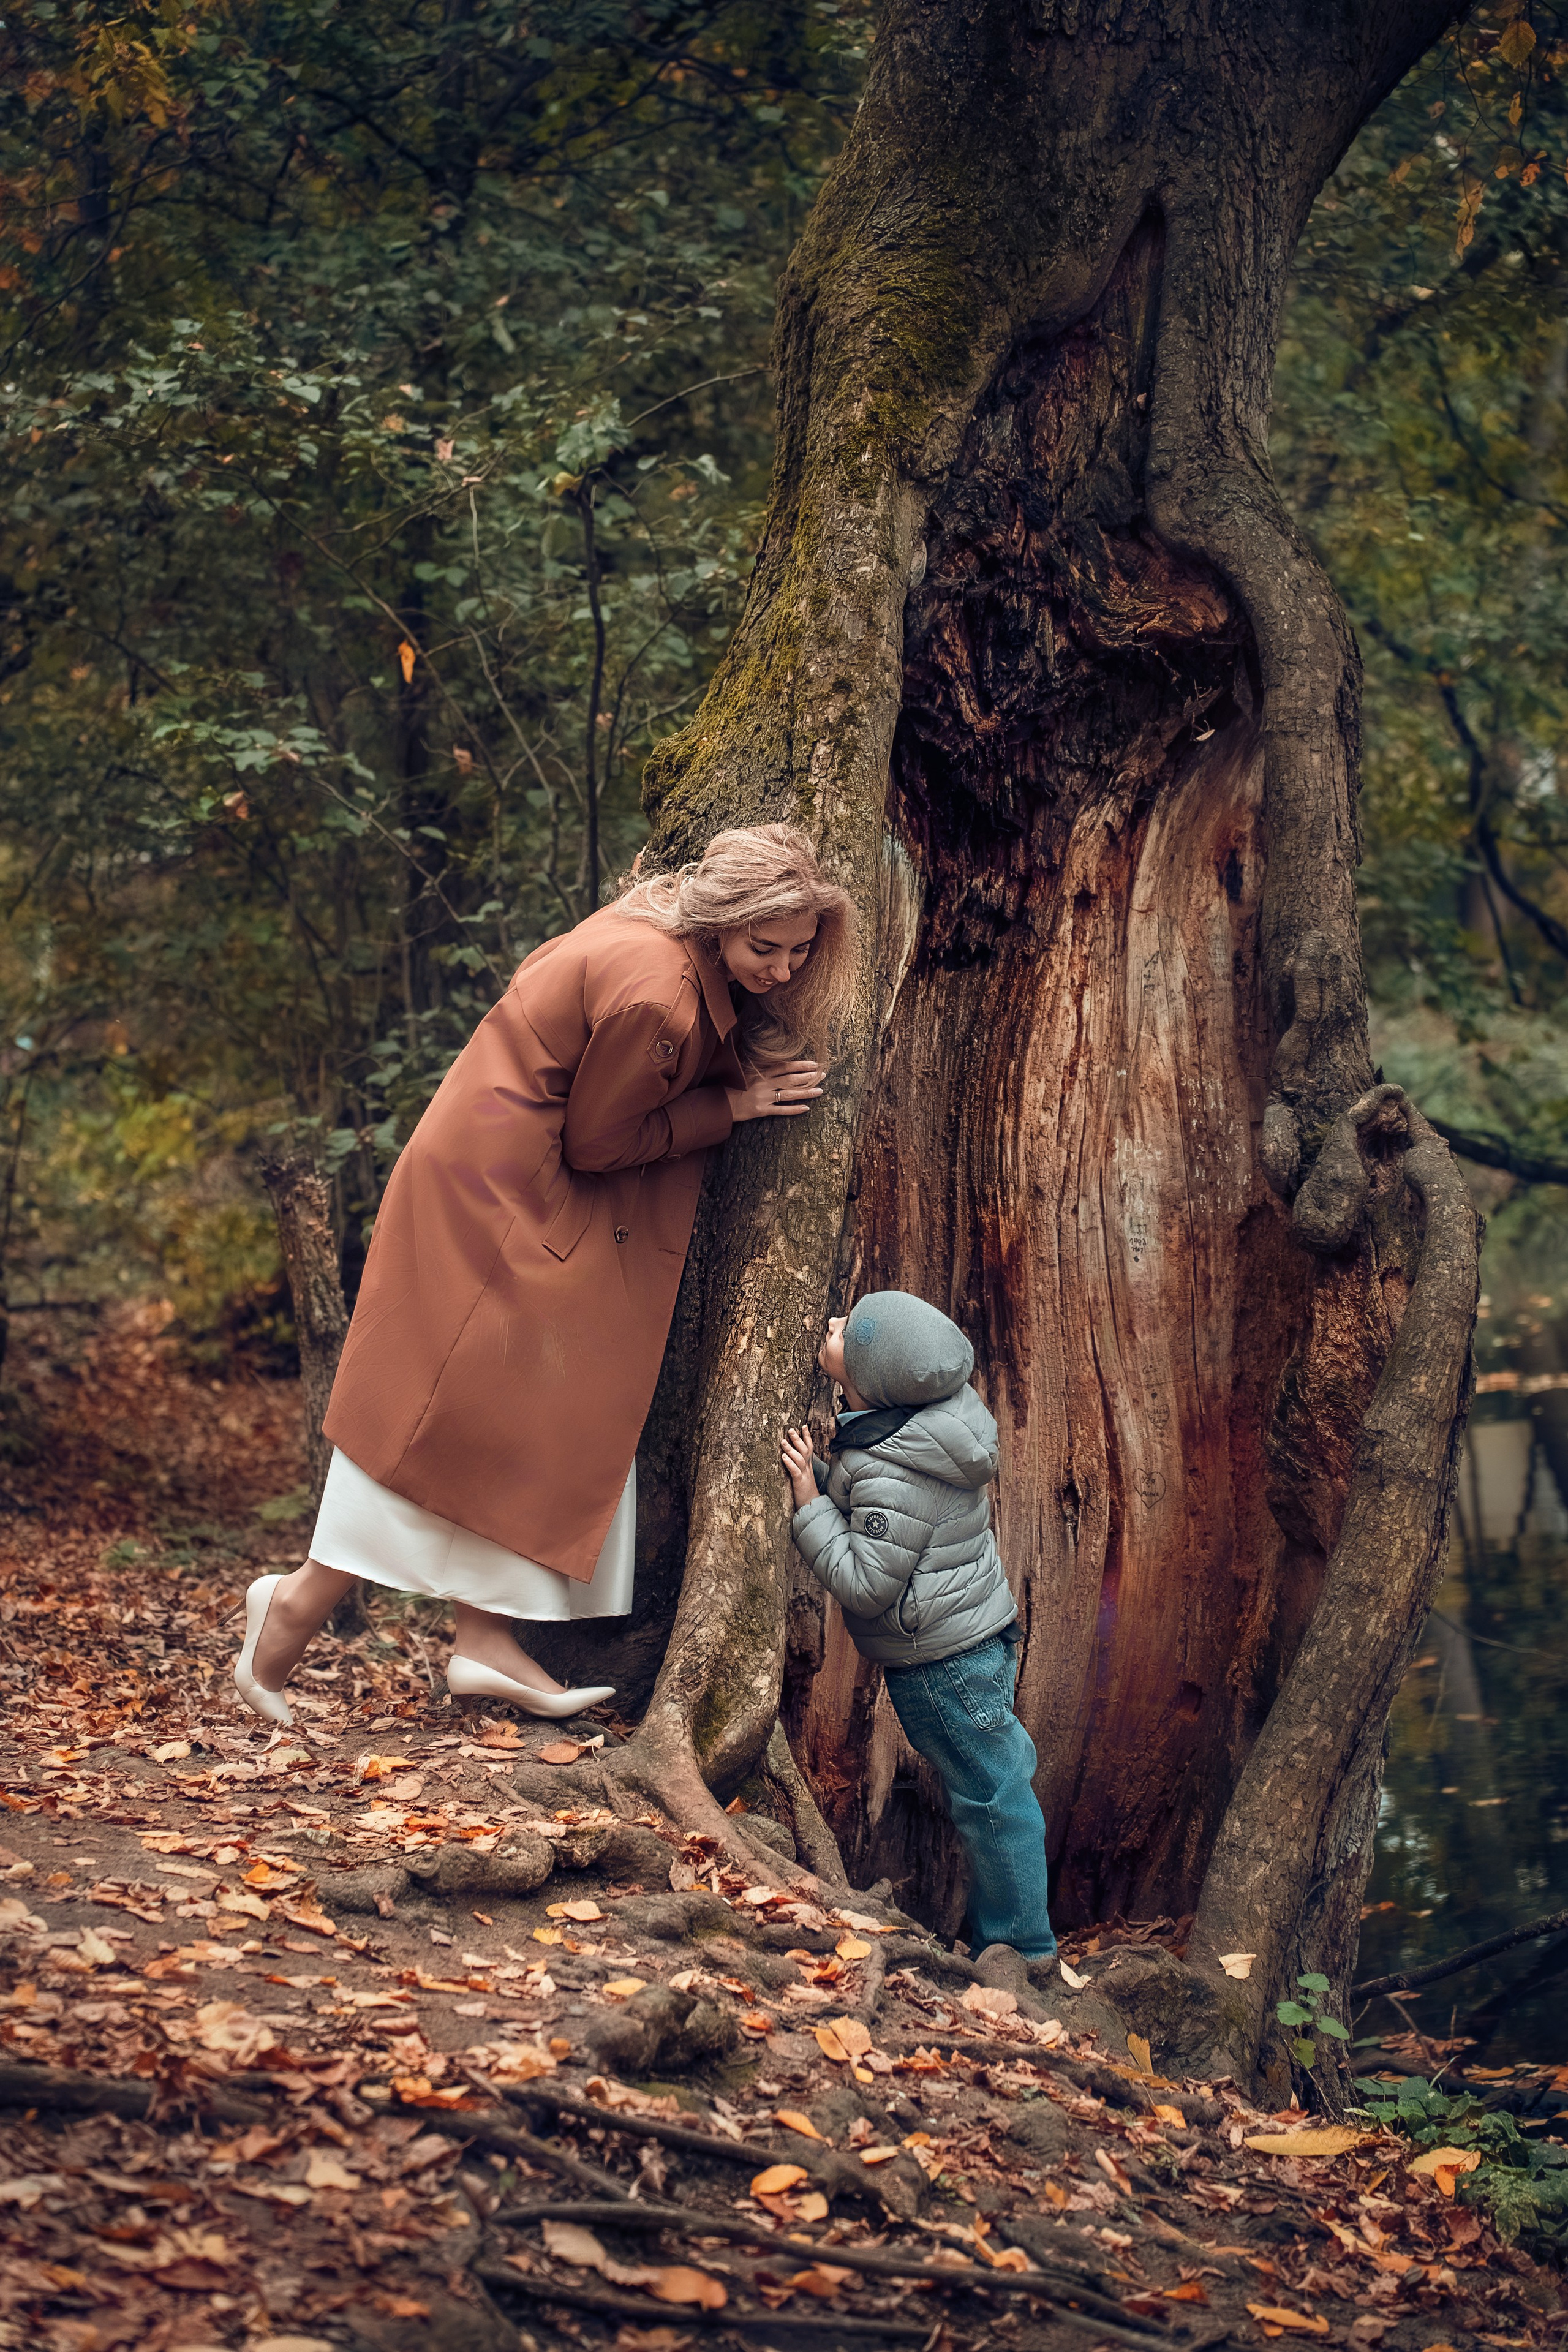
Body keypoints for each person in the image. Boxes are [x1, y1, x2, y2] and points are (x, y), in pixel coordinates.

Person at [234, 822, 857, 1727]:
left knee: (506, 1417)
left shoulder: (657, 928)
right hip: (501, 1196)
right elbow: (599, 1141)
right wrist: (732, 1104)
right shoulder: (662, 997)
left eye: (800, 951)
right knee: (449, 1418)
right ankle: (295, 1608)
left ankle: (482, 1640)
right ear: (723, 919)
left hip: (503, 1178)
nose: (784, 969)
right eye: (766, 947)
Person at [780, 1291, 1057, 1963]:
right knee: (993, 1784)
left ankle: (1023, 1950)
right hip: (975, 1640)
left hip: (943, 1665)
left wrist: (809, 1504)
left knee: (993, 1798)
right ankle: (1007, 1936)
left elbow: (866, 1581)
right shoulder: (928, 1429)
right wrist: (825, 1477)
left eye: (848, 1333)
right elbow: (881, 1514)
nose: (832, 1325)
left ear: (872, 1381)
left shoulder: (892, 1467)